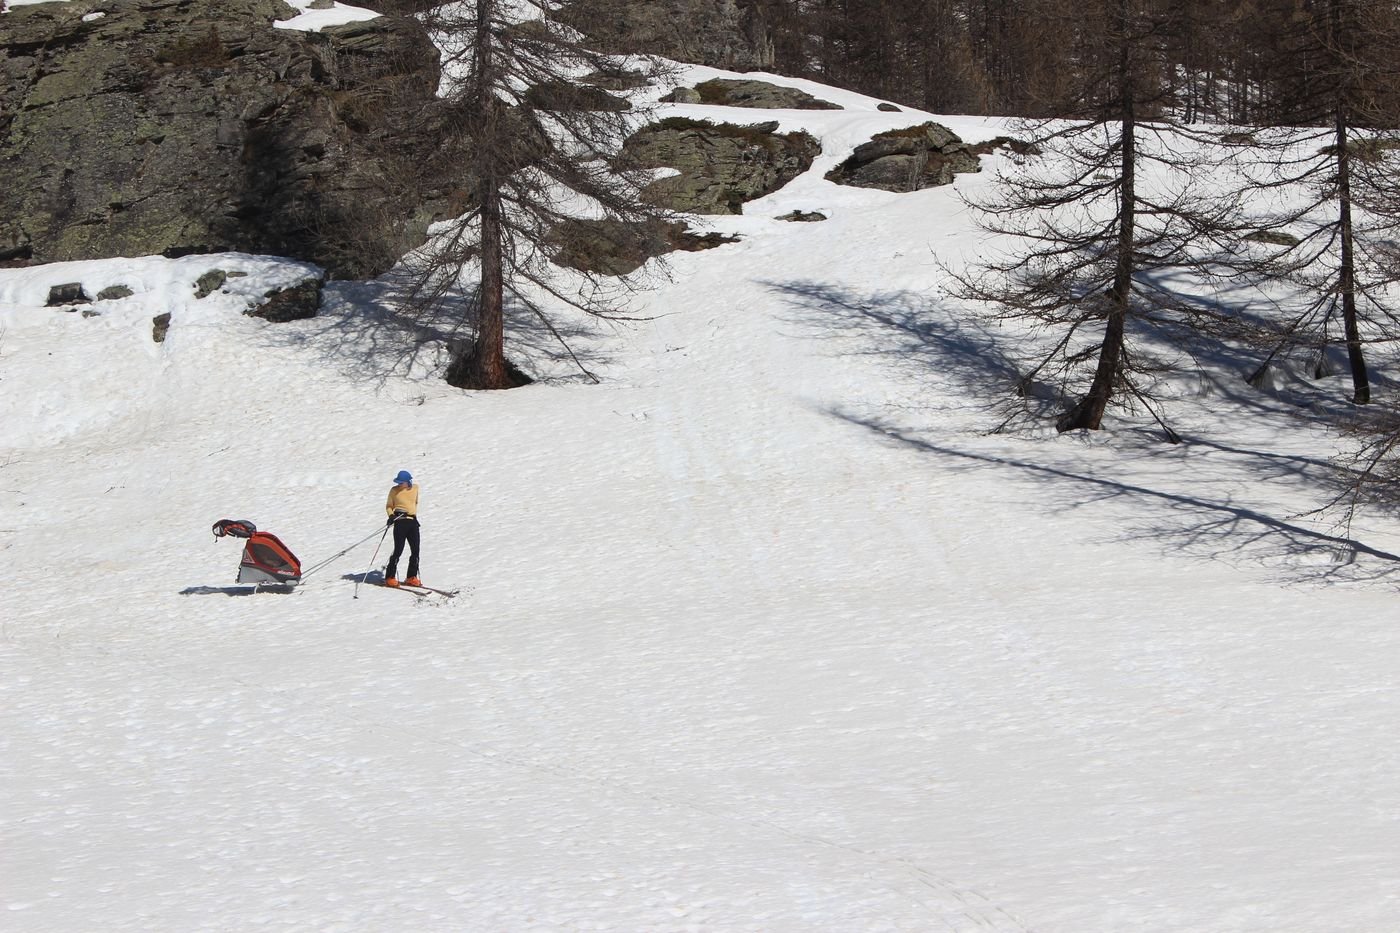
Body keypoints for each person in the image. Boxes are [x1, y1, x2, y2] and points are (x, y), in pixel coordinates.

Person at [384, 469, 421, 587]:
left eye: (402, 482)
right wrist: (391, 516)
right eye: (398, 482)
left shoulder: (415, 488)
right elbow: (389, 506)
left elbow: (415, 503)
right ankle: (390, 577)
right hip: (400, 521)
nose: (399, 484)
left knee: (415, 550)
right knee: (398, 550)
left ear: (408, 481)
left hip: (412, 522)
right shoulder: (394, 490)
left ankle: (411, 577)